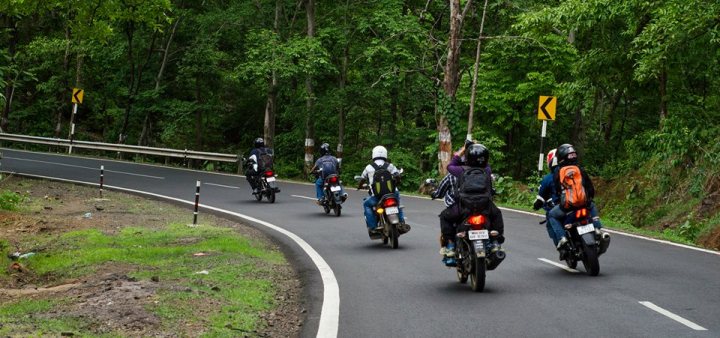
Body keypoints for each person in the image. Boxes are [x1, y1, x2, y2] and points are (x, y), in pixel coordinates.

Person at [432, 143, 505, 266]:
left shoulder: (460, 170)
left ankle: (450, 245)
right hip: (484, 207)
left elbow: (450, 166)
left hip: (464, 208)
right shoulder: (487, 170)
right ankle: (495, 242)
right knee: (497, 214)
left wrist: (462, 150)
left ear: (467, 157)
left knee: (445, 217)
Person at [547, 143, 610, 258]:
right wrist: (589, 198)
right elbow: (590, 187)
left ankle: (562, 238)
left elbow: (557, 190)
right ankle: (597, 228)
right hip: (584, 203)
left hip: (567, 206)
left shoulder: (558, 171)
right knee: (591, 205)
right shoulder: (580, 169)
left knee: (552, 215)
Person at [357, 145, 409, 237]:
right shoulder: (390, 166)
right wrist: (396, 183)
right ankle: (401, 223)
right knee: (398, 205)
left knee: (366, 204)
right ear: (385, 154)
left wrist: (359, 186)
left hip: (377, 196)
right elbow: (397, 176)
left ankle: (373, 228)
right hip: (392, 194)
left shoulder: (369, 167)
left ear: (373, 154)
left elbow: (362, 179)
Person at [533, 148, 562, 246]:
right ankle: (597, 229)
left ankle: (562, 240)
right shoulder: (576, 171)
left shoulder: (549, 177)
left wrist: (536, 205)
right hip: (581, 202)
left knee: (551, 216)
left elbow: (541, 197)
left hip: (563, 205)